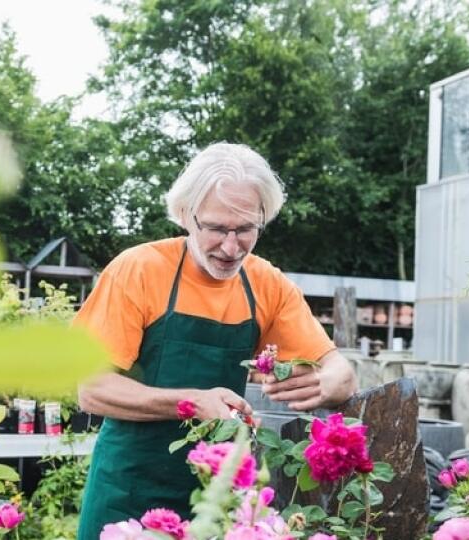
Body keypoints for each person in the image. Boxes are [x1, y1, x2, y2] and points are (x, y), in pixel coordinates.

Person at [74, 142, 357, 538]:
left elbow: (342, 372)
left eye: (246, 230)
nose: (230, 247)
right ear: (188, 215)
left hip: (216, 496)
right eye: (217, 228)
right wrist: (192, 403)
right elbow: (91, 390)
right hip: (127, 491)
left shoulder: (267, 284)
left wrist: (327, 383)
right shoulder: (137, 270)